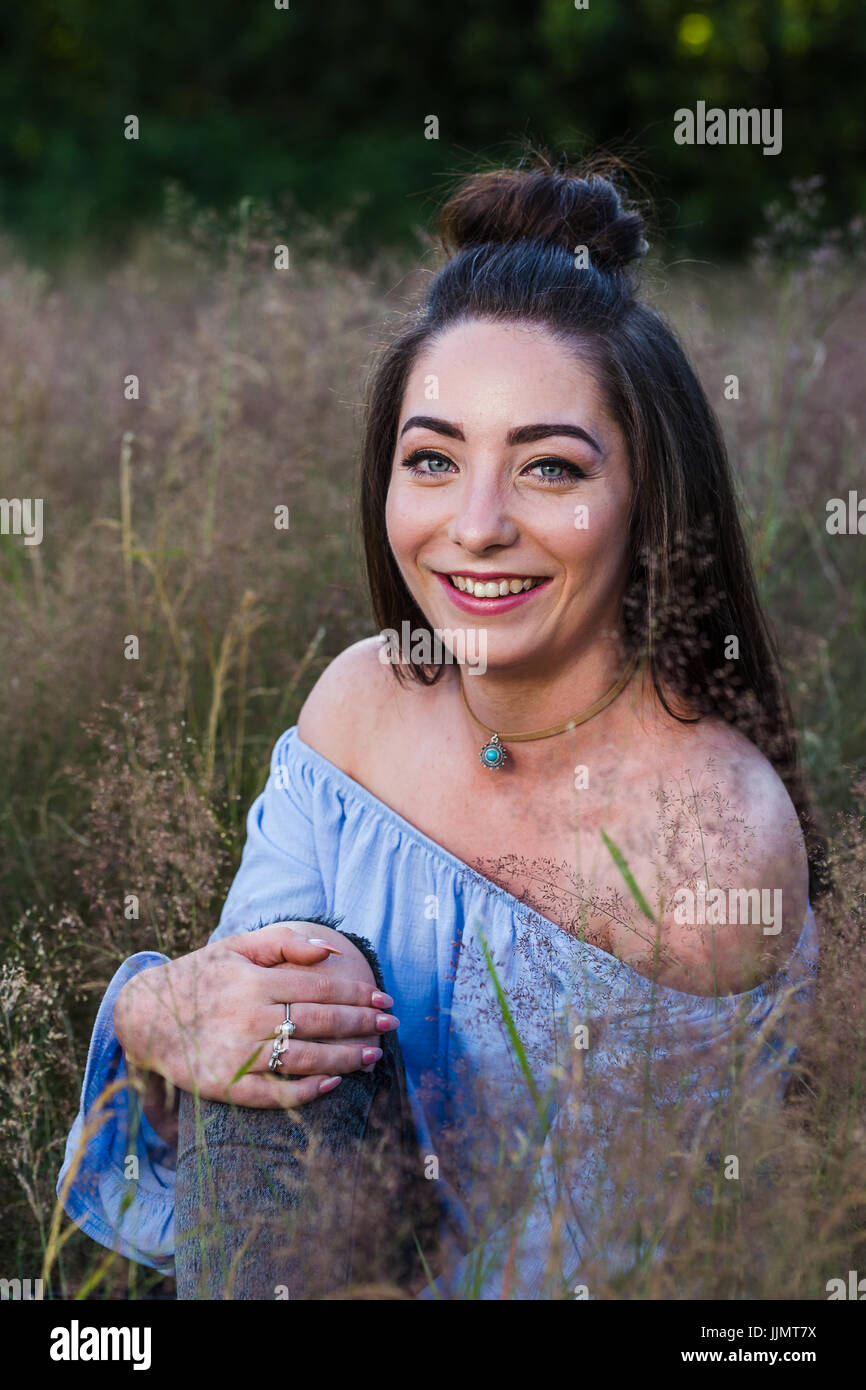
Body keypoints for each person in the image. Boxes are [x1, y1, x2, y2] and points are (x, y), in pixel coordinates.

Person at [57, 154, 823, 1300]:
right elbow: (240, 1080)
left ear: (647, 496)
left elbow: (638, 1268)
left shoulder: (705, 837)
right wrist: (156, 1007)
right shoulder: (363, 703)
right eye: (432, 459)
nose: (474, 525)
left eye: (548, 468)